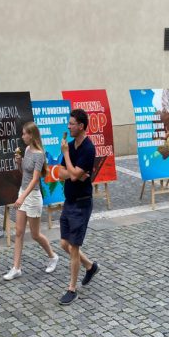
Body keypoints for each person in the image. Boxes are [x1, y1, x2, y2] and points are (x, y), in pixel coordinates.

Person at [3, 122, 58, 280]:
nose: (22, 136)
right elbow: (24, 174)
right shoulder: (26, 149)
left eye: (24, 134)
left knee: (35, 234)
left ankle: (53, 256)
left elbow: (35, 180)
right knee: (19, 232)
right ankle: (16, 268)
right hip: (24, 192)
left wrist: (22, 197)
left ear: (31, 135)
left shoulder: (39, 154)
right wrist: (19, 163)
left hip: (32, 197)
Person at [57, 109, 99, 306]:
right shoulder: (72, 145)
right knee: (64, 244)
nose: (68, 126)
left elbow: (73, 175)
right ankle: (90, 267)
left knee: (74, 247)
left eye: (72, 123)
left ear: (81, 126)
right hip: (69, 200)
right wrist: (72, 171)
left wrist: (66, 156)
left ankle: (71, 289)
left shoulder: (88, 149)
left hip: (82, 203)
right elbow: (60, 172)